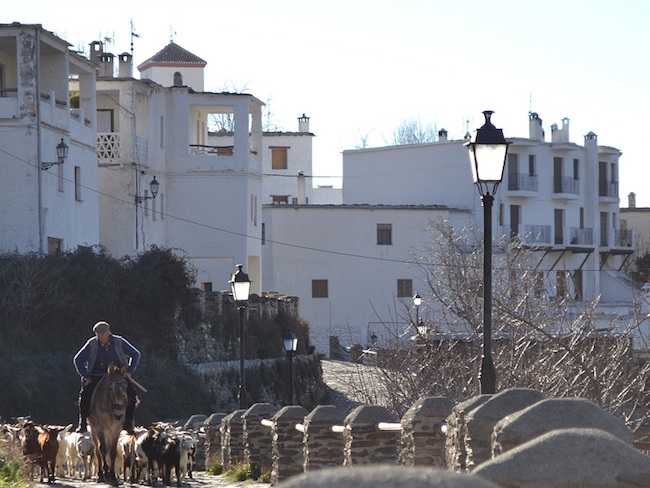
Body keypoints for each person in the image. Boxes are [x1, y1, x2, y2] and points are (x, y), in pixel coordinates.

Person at [73, 321, 141, 434]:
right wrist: (86, 376)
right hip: (96, 376)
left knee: (132, 395)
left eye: (102, 335)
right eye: (98, 335)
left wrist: (129, 371)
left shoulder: (119, 342)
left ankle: (128, 423)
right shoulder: (92, 344)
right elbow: (77, 359)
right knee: (85, 395)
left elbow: (136, 354)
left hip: (117, 375)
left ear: (108, 332)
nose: (100, 338)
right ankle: (83, 423)